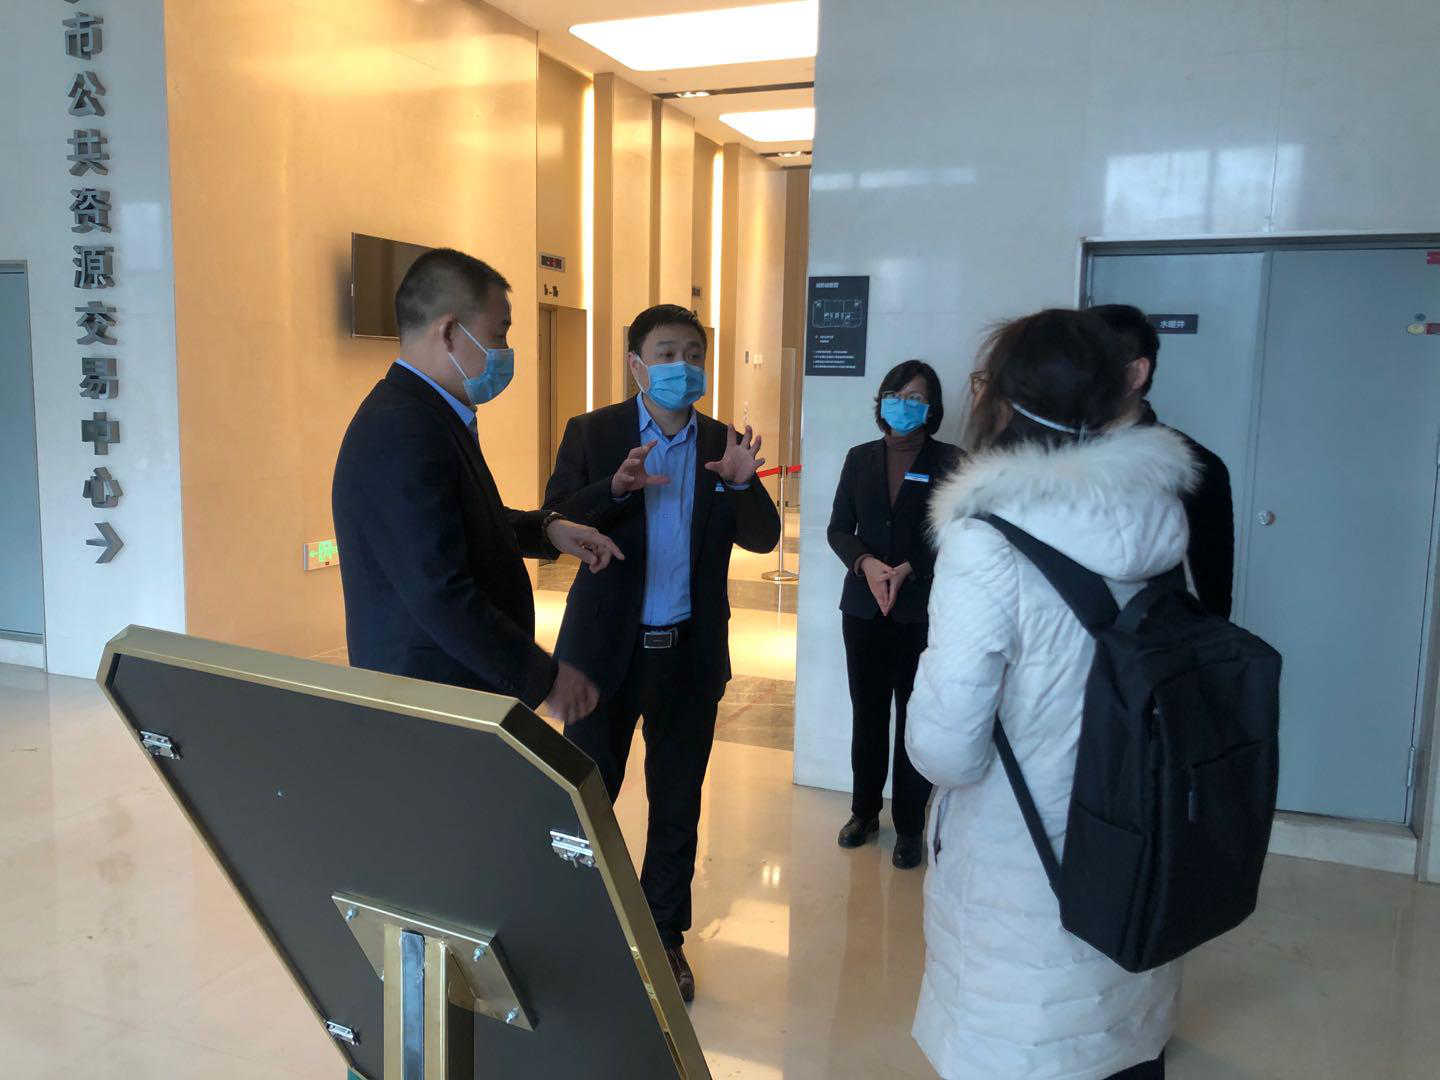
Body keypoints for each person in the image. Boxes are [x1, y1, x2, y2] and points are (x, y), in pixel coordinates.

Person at [906, 309, 1190, 1080]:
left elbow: (947, 749)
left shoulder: (987, 542)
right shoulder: (1159, 512)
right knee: (1119, 1039)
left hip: (1022, 876)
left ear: (1002, 402)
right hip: (1136, 842)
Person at [543, 303, 781, 1003]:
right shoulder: (593, 433)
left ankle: (664, 937)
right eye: (667, 353)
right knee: (585, 799)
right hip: (601, 656)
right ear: (636, 365)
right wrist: (613, 488)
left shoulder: (723, 443)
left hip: (688, 654)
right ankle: (576, 928)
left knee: (677, 803)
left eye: (693, 353)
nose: (683, 366)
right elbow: (555, 519)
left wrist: (741, 481)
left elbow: (764, 538)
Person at [333, 248, 620, 723]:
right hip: (432, 700)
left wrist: (548, 530)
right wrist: (545, 679)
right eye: (499, 334)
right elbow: (439, 591)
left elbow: (456, 523)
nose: (506, 351)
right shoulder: (403, 429)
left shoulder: (427, 416)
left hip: (455, 690)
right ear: (449, 332)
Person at [826, 360, 963, 869]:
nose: (903, 405)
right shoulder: (859, 458)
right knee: (867, 716)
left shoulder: (950, 462)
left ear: (932, 408)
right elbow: (839, 529)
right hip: (863, 609)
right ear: (882, 402)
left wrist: (909, 568)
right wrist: (866, 563)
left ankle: (909, 826)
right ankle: (863, 813)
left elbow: (957, 532)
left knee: (913, 719)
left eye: (915, 397)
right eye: (895, 395)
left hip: (919, 611)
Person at [1089, 303, 1234, 618]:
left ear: (1136, 374)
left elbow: (1211, 599)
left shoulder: (1196, 467)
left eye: (1086, 365)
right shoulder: (1047, 454)